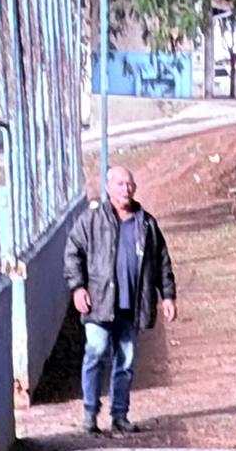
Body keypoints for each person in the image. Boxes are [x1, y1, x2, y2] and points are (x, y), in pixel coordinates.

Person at [61, 162, 174, 432]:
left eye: (130, 184)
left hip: (131, 305)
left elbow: (161, 261)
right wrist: (78, 287)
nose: (127, 189)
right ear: (108, 188)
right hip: (99, 302)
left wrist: (167, 295)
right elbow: (72, 252)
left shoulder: (146, 223)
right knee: (96, 352)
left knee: (125, 362)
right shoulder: (91, 220)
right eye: (120, 184)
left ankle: (119, 416)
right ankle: (90, 414)